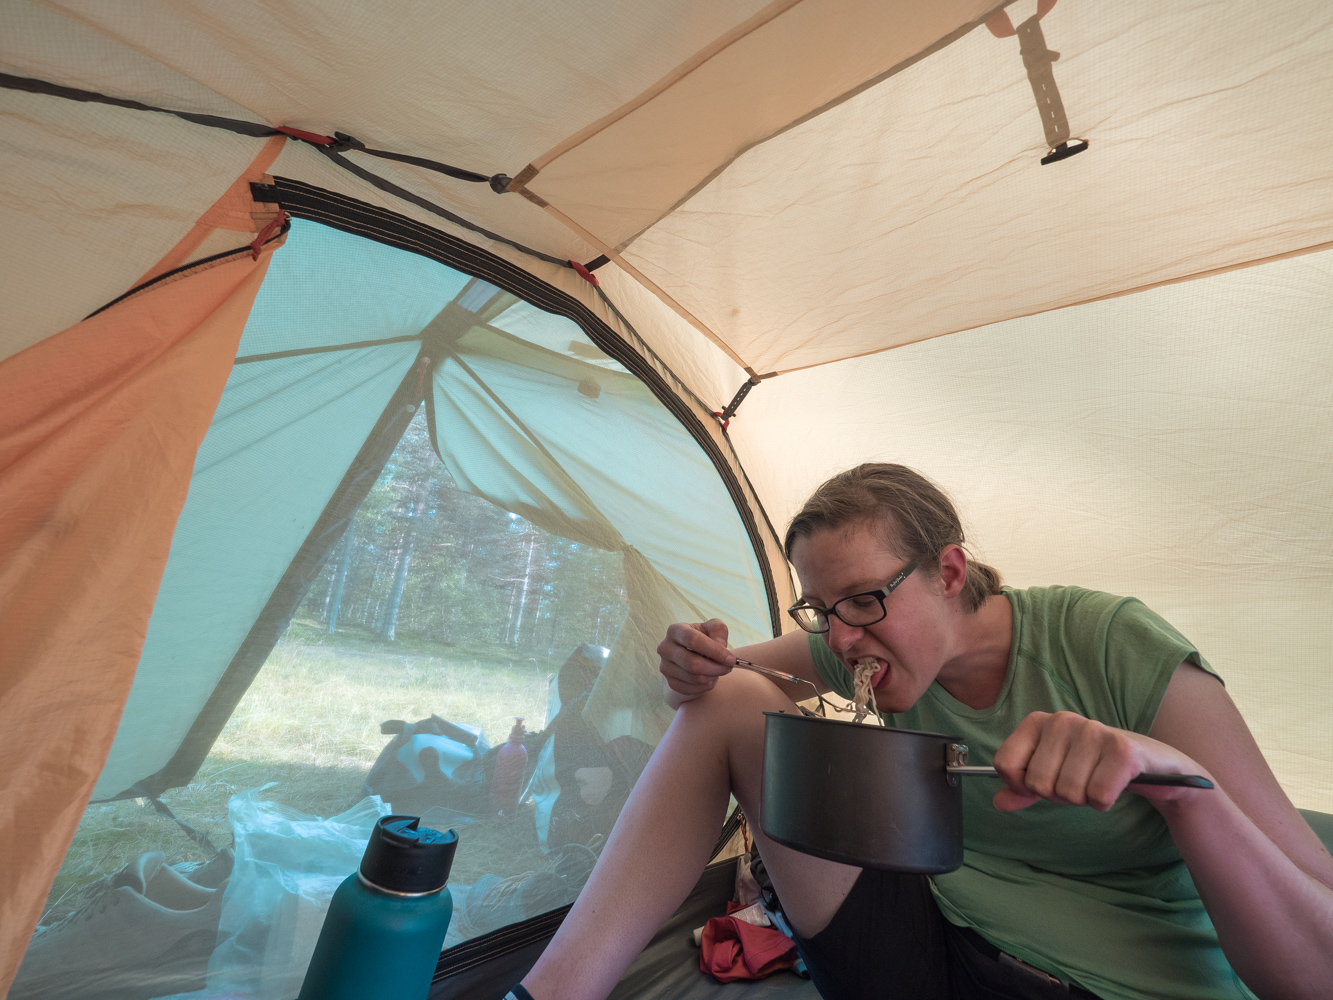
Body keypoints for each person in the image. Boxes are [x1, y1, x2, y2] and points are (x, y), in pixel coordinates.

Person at [509, 464, 1333, 1000]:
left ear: (948, 571)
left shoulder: (1110, 644)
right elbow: (721, 674)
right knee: (729, 706)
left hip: (1104, 982)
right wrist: (687, 663)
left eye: (865, 600)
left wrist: (1175, 785)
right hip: (922, 952)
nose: (840, 638)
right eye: (819, 611)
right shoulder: (858, 644)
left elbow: (1316, 962)